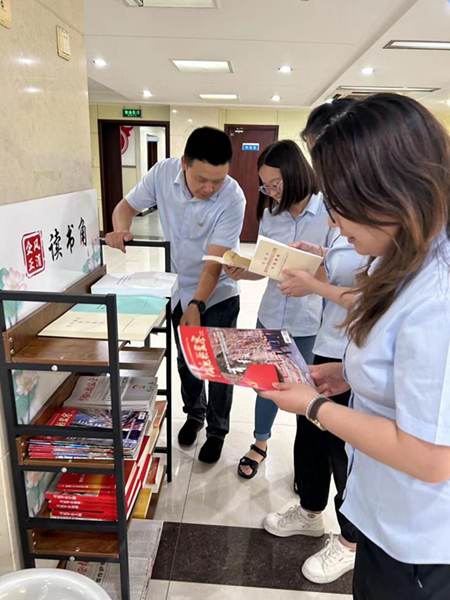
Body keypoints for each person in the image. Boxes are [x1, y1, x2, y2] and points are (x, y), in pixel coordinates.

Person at [260, 94, 450, 599]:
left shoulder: (439, 295)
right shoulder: (407, 254)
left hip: (422, 541)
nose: (334, 223)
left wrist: (315, 406)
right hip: (386, 516)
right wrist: (346, 375)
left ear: (388, 193)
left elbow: (430, 456)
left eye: (340, 207)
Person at [105, 127, 246, 463]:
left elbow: (214, 263)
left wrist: (198, 303)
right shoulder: (162, 174)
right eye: (202, 179)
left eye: (217, 181)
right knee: (186, 360)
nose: (209, 188)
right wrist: (121, 228)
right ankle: (195, 414)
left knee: (218, 366)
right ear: (184, 163)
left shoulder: (233, 197)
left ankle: (217, 430)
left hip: (219, 291)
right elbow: (125, 207)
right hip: (179, 286)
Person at [224, 140, 332, 479]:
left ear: (297, 174)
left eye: (276, 184)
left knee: (307, 392)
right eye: (265, 186)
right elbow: (266, 267)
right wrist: (244, 270)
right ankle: (260, 442)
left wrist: (311, 280)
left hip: (310, 321)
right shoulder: (271, 215)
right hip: (270, 314)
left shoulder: (329, 212)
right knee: (266, 385)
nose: (271, 192)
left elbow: (341, 270)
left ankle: (306, 462)